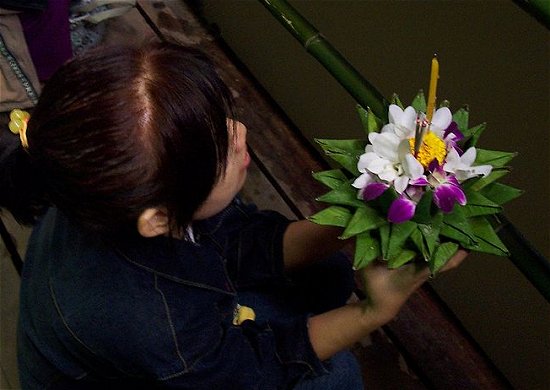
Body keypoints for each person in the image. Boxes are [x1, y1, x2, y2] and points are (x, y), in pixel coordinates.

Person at [1, 41, 467, 389]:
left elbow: (238, 239)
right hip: (153, 370)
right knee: (335, 377)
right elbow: (247, 373)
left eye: (224, 118)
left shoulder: (123, 189)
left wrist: (359, 216)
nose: (241, 133)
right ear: (159, 219)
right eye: (218, 150)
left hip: (171, 327)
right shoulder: (152, 323)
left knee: (326, 271)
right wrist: (373, 312)